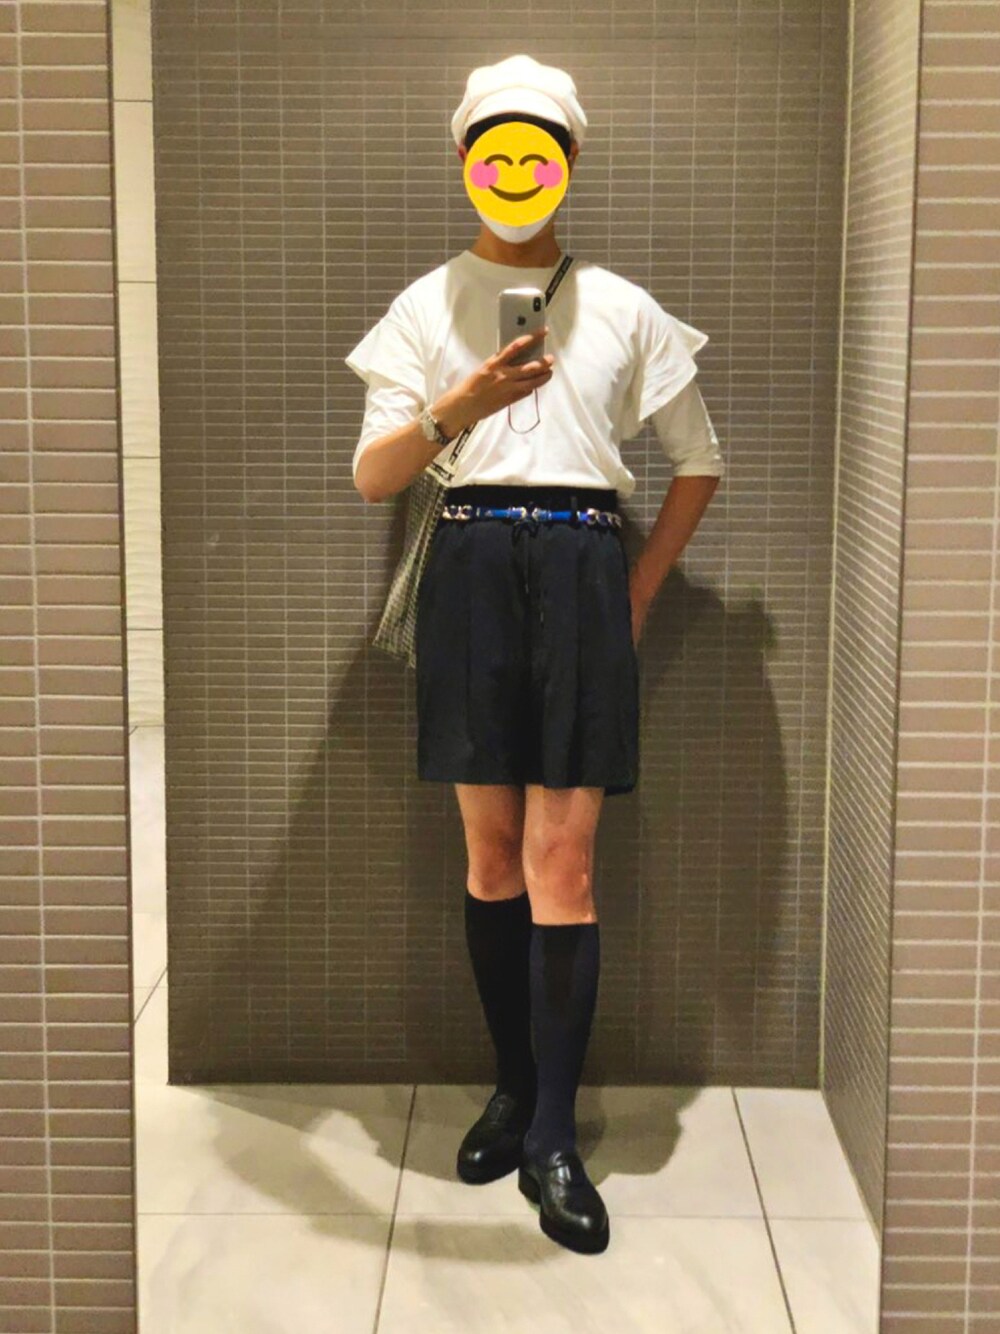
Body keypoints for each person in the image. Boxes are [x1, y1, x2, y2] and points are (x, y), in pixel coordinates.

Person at [345, 54, 724, 1256]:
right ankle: (514, 1083)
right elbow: (374, 478)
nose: (515, 170)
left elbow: (698, 458)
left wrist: (637, 589)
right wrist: (455, 405)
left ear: (568, 161)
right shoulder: (425, 305)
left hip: (579, 565)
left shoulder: (622, 305)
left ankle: (553, 1133)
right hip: (466, 563)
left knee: (564, 860)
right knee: (490, 852)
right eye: (494, 150)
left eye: (537, 150)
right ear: (465, 161)